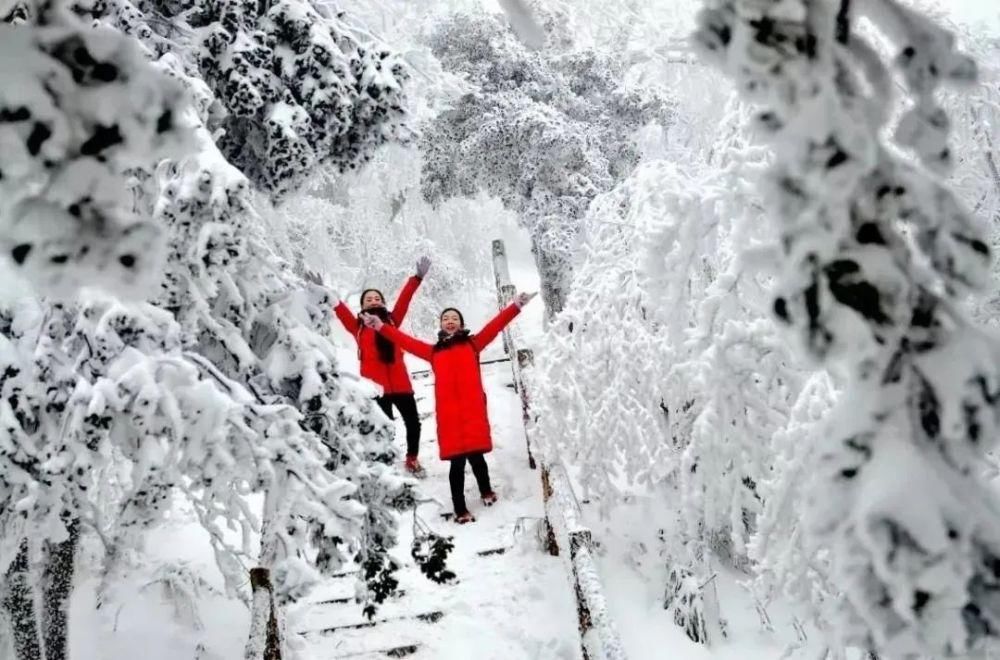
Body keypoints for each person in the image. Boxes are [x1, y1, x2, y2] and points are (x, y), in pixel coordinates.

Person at [361, 291, 537, 524]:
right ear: (441, 325)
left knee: (477, 458)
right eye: (446, 318)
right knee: (457, 464)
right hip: (450, 416)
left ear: (461, 324)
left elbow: (495, 326)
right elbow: (405, 341)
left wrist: (515, 306)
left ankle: (486, 491)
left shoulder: (474, 345)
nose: (450, 320)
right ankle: (460, 508)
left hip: (473, 412)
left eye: (454, 317)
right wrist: (381, 327)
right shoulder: (433, 352)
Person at [306, 257, 431, 476]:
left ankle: (412, 459)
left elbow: (404, 299)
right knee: (383, 428)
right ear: (363, 305)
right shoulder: (358, 327)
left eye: (377, 298)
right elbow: (340, 308)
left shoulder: (392, 321)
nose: (373, 300)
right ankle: (386, 465)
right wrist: (324, 290)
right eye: (368, 299)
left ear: (382, 302)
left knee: (413, 423)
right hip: (375, 387)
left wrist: (417, 278)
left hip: (401, 383)